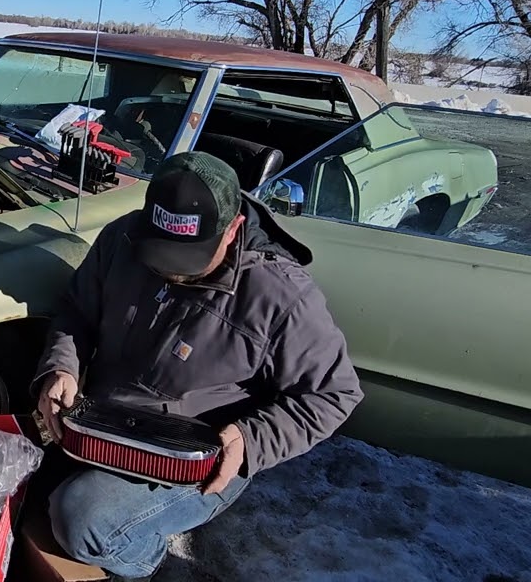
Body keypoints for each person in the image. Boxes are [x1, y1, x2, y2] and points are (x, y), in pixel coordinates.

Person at [32, 151, 364, 582]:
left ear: (233, 229)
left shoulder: (280, 296)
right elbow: (76, 311)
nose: (172, 272)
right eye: (160, 254)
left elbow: (334, 394)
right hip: (105, 423)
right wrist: (61, 368)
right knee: (10, 479)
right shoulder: (122, 239)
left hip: (194, 456)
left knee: (82, 519)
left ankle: (143, 560)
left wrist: (251, 439)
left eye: (189, 258)